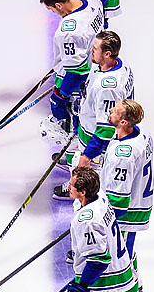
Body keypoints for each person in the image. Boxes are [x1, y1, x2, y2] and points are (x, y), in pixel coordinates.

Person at [53, 30, 134, 200]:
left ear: (107, 53)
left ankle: (81, 194)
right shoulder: (119, 65)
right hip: (87, 128)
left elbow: (106, 130)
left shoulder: (108, 87)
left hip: (94, 139)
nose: (91, 50)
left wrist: (87, 155)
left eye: (95, 48)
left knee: (92, 176)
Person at [100, 99, 153, 292]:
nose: (110, 110)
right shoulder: (142, 134)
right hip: (139, 205)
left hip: (126, 211)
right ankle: (137, 291)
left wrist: (103, 222)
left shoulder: (125, 153)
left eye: (115, 110)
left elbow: (119, 199)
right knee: (128, 253)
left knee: (119, 260)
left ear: (123, 122)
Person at [38, 0, 105, 144]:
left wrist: (61, 95)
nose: (53, 13)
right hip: (97, 67)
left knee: (74, 119)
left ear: (59, 5)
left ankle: (78, 153)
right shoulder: (91, 0)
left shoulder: (69, 31)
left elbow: (77, 72)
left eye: (52, 9)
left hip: (80, 81)